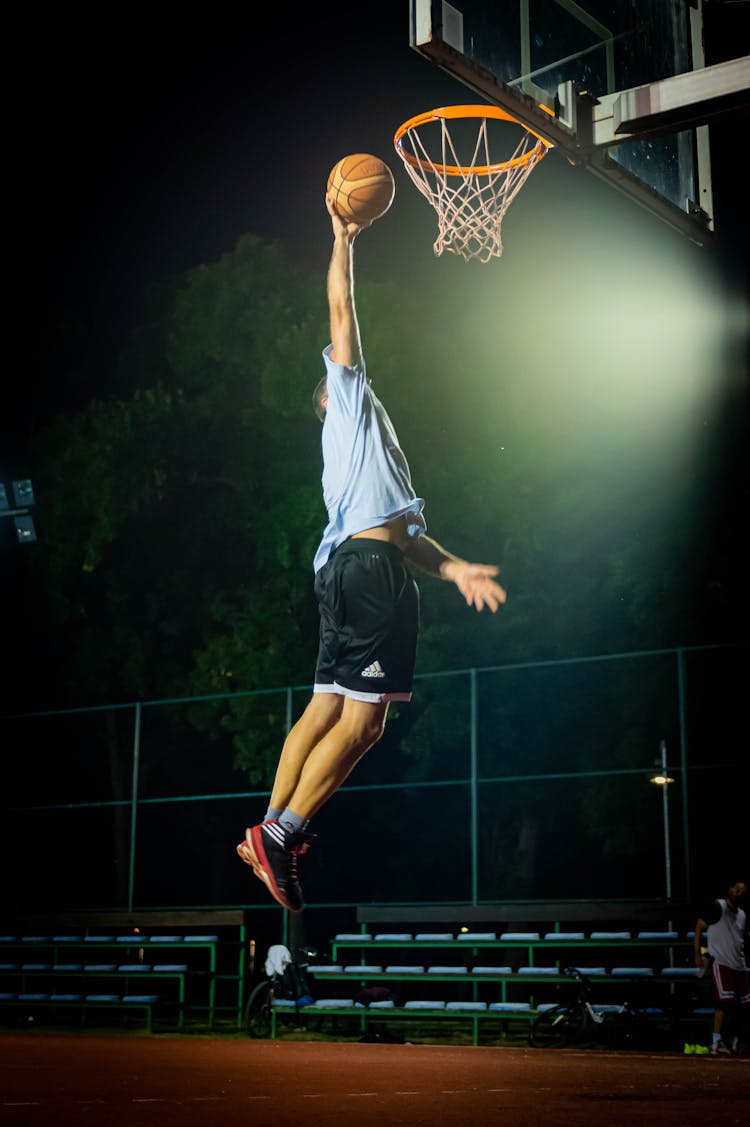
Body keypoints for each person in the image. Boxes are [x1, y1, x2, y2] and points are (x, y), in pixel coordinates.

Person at [236, 191, 507, 912]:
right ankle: (283, 829)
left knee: (326, 708)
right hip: (368, 573)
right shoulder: (349, 402)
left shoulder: (374, 449)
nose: (343, 368)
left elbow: (408, 533)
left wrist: (453, 567)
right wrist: (344, 239)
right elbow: (341, 310)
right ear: (328, 397)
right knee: (368, 720)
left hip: (350, 569)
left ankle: (268, 831)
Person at [693, 879, 748, 1055]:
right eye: (738, 890)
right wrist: (698, 956)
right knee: (724, 1005)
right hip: (722, 963)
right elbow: (698, 927)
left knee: (743, 1006)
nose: (740, 893)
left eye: (743, 892)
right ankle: (716, 1042)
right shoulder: (718, 907)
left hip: (739, 966)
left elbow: (740, 940)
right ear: (731, 890)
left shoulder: (742, 915)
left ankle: (736, 1040)